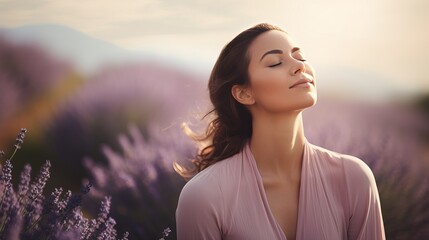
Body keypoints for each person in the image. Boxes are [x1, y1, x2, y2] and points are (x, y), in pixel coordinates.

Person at [175, 23, 385, 240]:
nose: (299, 66)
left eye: (300, 57)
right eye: (275, 63)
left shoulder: (352, 178)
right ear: (243, 93)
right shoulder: (204, 197)